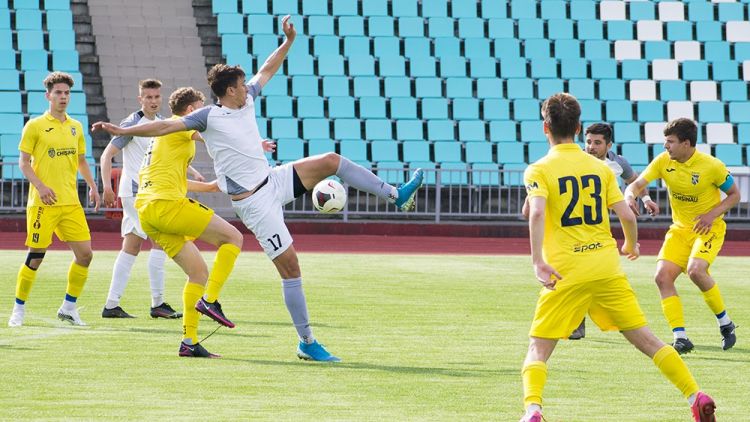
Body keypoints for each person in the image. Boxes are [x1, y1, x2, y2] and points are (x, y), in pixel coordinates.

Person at [93, 15, 425, 362]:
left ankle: (395, 195)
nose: (249, 84)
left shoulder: (246, 98)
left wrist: (288, 42)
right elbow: (164, 126)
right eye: (242, 82)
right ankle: (307, 341)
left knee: (330, 159)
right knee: (291, 268)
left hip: (272, 179)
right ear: (230, 90)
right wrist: (120, 130)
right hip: (254, 204)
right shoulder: (207, 117)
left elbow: (268, 68)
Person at [519, 93, 716, 422]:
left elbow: (536, 212)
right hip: (606, 267)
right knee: (648, 340)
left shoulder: (539, 169)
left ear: (545, 128)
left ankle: (533, 410)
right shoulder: (600, 168)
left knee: (538, 348)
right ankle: (696, 395)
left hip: (566, 272)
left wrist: (537, 260)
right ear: (579, 128)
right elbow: (627, 213)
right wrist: (631, 245)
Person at [624, 118, 739, 355]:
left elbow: (734, 195)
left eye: (670, 142)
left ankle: (725, 323)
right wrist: (631, 197)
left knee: (696, 270)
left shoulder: (712, 166)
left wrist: (710, 215)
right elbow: (634, 185)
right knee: (662, 277)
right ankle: (680, 337)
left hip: (709, 229)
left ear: (686, 143)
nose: (665, 146)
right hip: (679, 230)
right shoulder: (663, 161)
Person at [100, 79, 202, 319]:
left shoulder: (162, 124)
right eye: (148, 97)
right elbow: (107, 155)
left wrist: (192, 171)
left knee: (132, 246)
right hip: (138, 192)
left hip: (144, 192)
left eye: (157, 97)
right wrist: (106, 186)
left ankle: (112, 304)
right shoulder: (133, 124)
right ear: (140, 99)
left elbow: (160, 157)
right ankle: (157, 303)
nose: (153, 101)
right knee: (161, 243)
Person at [8, 71, 101, 327]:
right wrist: (41, 186)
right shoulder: (35, 126)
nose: (63, 97)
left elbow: (81, 160)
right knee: (36, 257)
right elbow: (24, 163)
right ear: (48, 95)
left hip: (70, 203)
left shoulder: (76, 126)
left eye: (67, 93)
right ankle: (18, 309)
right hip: (43, 203)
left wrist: (93, 186)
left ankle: (68, 307)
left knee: (86, 255)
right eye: (58, 92)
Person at [564, 122, 660, 339]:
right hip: (574, 227)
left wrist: (645, 198)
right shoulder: (574, 160)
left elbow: (634, 180)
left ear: (609, 145)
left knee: (595, 276)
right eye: (588, 142)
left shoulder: (617, 163)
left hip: (600, 227)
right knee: (578, 274)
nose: (591, 147)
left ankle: (623, 322)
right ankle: (579, 324)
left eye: (597, 143)